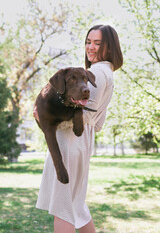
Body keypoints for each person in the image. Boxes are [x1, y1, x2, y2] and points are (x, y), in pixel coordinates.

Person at [35, 24, 123, 233]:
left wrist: (43, 117)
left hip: (69, 143)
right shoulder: (106, 73)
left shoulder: (95, 73)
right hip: (83, 144)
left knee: (63, 208)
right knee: (76, 206)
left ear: (110, 47)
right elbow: (97, 123)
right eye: (88, 42)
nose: (90, 47)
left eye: (97, 43)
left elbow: (82, 114)